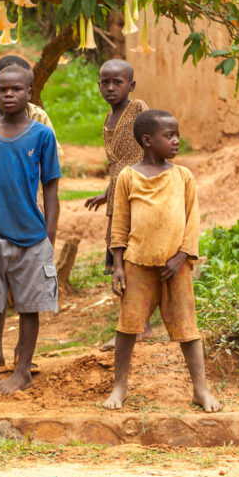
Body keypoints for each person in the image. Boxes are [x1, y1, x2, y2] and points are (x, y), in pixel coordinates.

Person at [103, 110, 221, 413]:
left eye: (176, 134)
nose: (176, 141)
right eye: (168, 136)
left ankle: (200, 390)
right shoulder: (128, 176)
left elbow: (192, 221)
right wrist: (117, 265)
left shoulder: (183, 176)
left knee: (188, 329)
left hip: (175, 267)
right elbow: (120, 223)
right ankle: (120, 386)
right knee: (128, 328)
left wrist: (181, 256)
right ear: (147, 140)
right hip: (137, 264)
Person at [0, 65, 61, 396]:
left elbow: (50, 189)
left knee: (30, 304)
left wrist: (49, 235)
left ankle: (22, 371)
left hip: (32, 235)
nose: (8, 94)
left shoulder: (42, 135)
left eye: (16, 89)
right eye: (2, 89)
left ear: (29, 93)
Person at [84, 59, 152, 351]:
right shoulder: (108, 118)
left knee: (129, 261)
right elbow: (117, 165)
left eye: (118, 82)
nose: (110, 88)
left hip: (137, 195)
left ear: (131, 86)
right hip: (118, 197)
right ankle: (140, 326)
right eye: (105, 82)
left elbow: (143, 153)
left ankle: (134, 327)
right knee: (120, 259)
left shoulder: (137, 110)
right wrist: (107, 193)